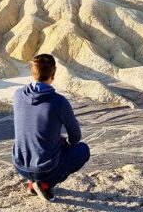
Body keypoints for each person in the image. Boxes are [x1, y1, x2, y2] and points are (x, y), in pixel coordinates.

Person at [12, 53, 90, 202]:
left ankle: (31, 183)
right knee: (83, 150)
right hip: (45, 169)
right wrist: (64, 143)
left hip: (20, 166)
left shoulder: (17, 95)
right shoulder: (59, 101)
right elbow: (75, 137)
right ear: (53, 74)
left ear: (32, 72)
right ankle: (45, 185)